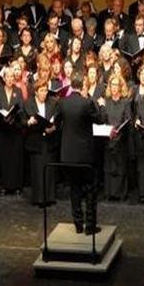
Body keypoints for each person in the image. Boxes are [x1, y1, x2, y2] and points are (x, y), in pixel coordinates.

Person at [55, 73, 105, 235]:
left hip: (68, 155)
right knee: (91, 189)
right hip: (85, 155)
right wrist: (101, 105)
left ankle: (78, 224)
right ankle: (90, 226)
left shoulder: (63, 103)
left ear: (70, 85)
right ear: (83, 85)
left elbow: (56, 122)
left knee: (74, 189)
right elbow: (100, 120)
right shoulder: (87, 103)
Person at [24, 81, 59, 206]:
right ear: (36, 91)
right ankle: (38, 198)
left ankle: (50, 197)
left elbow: (57, 119)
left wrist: (53, 127)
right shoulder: (29, 103)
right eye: (41, 91)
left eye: (45, 90)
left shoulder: (53, 103)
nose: (44, 93)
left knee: (49, 169)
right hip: (36, 140)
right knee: (37, 169)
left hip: (49, 140)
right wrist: (29, 122)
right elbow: (24, 120)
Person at [100, 74, 132, 200]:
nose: (114, 87)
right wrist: (101, 107)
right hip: (108, 139)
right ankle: (109, 193)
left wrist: (118, 132)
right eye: (112, 85)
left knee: (120, 166)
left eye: (116, 85)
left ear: (120, 87)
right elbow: (102, 119)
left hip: (121, 140)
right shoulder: (106, 102)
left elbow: (128, 119)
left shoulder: (125, 102)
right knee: (108, 166)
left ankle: (120, 193)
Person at [0, 67, 25, 195]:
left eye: (12, 76)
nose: (10, 79)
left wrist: (13, 117)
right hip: (3, 130)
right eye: (8, 76)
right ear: (4, 78)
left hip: (15, 129)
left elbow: (21, 110)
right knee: (4, 157)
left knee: (15, 158)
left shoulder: (18, 91)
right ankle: (5, 186)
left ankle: (17, 186)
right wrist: (3, 116)